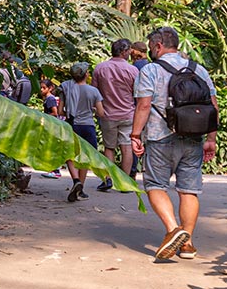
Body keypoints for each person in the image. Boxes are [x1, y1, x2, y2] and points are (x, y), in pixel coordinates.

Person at [130, 25, 218, 261]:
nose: (150, 51)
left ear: (158, 46)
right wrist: (211, 138)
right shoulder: (199, 69)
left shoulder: (150, 70)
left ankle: (173, 229)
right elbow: (213, 106)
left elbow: (144, 106)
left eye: (151, 47)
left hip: (161, 137)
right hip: (194, 136)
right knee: (189, 190)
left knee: (155, 185)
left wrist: (135, 135)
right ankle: (187, 243)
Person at [91, 39, 139, 190]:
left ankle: (108, 179)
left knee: (109, 147)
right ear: (124, 52)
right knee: (126, 147)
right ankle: (124, 183)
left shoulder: (100, 68)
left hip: (107, 114)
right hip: (128, 114)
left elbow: (95, 92)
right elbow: (137, 93)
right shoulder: (132, 70)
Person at [58, 62, 103, 202]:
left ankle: (75, 179)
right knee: (86, 157)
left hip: (72, 125)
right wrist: (92, 110)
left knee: (69, 155)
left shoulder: (66, 88)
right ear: (86, 75)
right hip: (88, 126)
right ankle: (81, 189)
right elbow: (101, 112)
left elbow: (60, 111)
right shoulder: (93, 91)